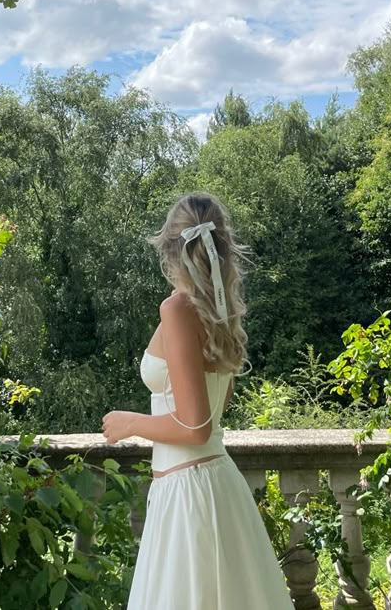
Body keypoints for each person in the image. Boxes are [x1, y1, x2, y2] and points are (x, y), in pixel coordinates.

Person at [102, 192, 294, 610]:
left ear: (170, 249)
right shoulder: (220, 311)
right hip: (215, 481)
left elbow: (196, 425)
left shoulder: (177, 309)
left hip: (187, 491)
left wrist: (129, 423)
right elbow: (214, 409)